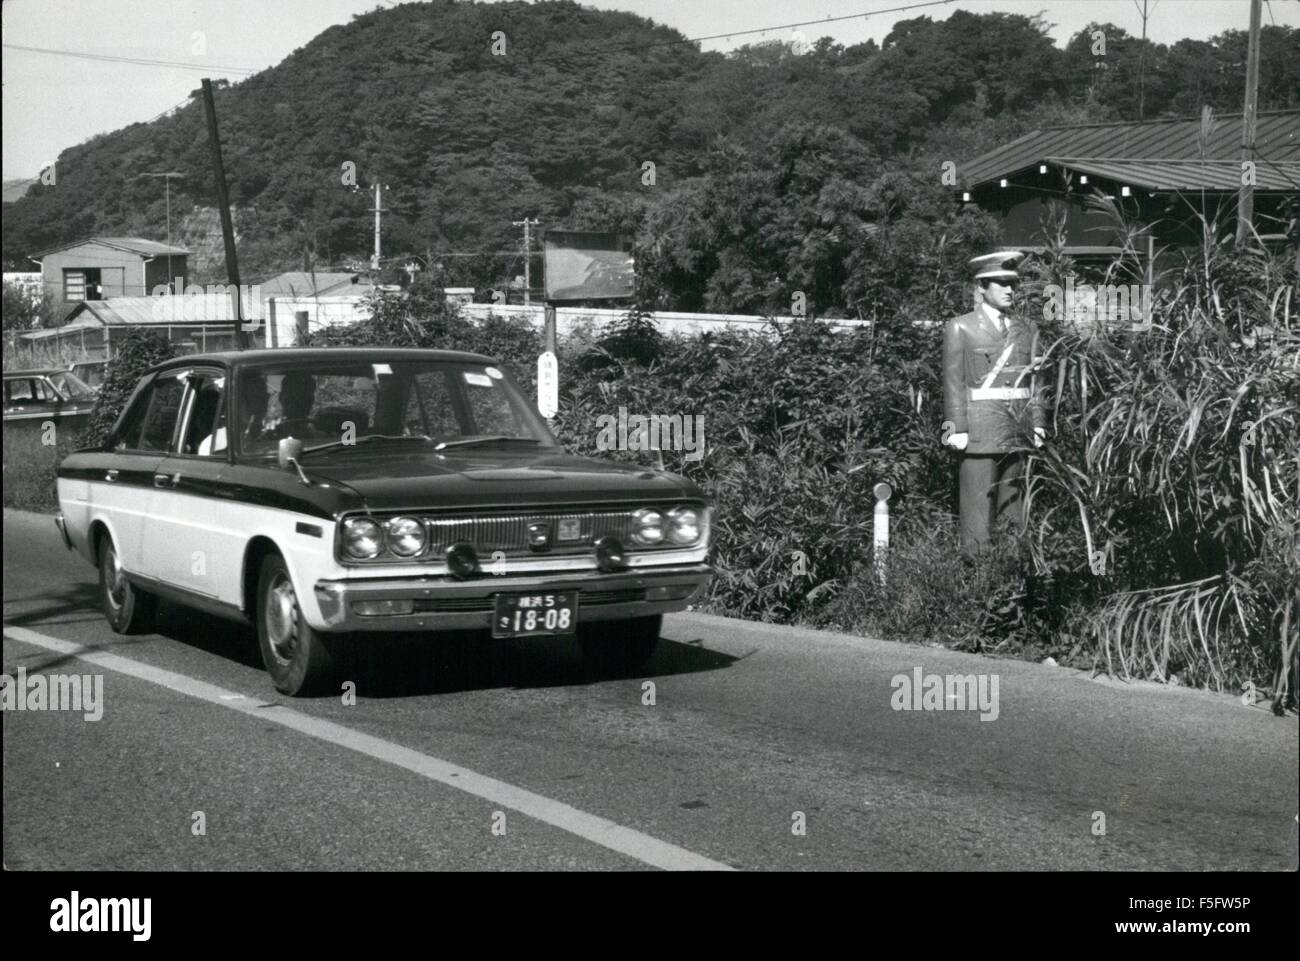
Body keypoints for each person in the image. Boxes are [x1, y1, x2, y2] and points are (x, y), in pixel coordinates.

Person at [941, 250, 1045, 550]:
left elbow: (1037, 380)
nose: (1010, 290)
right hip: (978, 431)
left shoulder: (1027, 329)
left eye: (1012, 283)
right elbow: (953, 383)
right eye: (1000, 283)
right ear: (982, 287)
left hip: (1018, 430)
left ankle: (1014, 573)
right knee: (977, 512)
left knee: (1016, 510)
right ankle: (977, 575)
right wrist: (955, 428)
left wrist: (1038, 422)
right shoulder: (961, 327)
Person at [271, 370, 318, 440]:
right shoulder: (270, 435)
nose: (296, 402)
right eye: (291, 397)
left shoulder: (329, 439)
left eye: (303, 397)